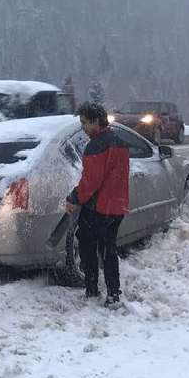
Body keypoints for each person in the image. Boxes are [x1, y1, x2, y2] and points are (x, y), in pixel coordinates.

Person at [65, 101, 130, 306]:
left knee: (86, 245)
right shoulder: (120, 142)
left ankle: (92, 289)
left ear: (95, 121)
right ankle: (113, 294)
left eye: (85, 122)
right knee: (108, 249)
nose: (83, 127)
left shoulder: (96, 146)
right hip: (117, 205)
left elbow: (91, 181)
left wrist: (74, 198)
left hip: (99, 207)